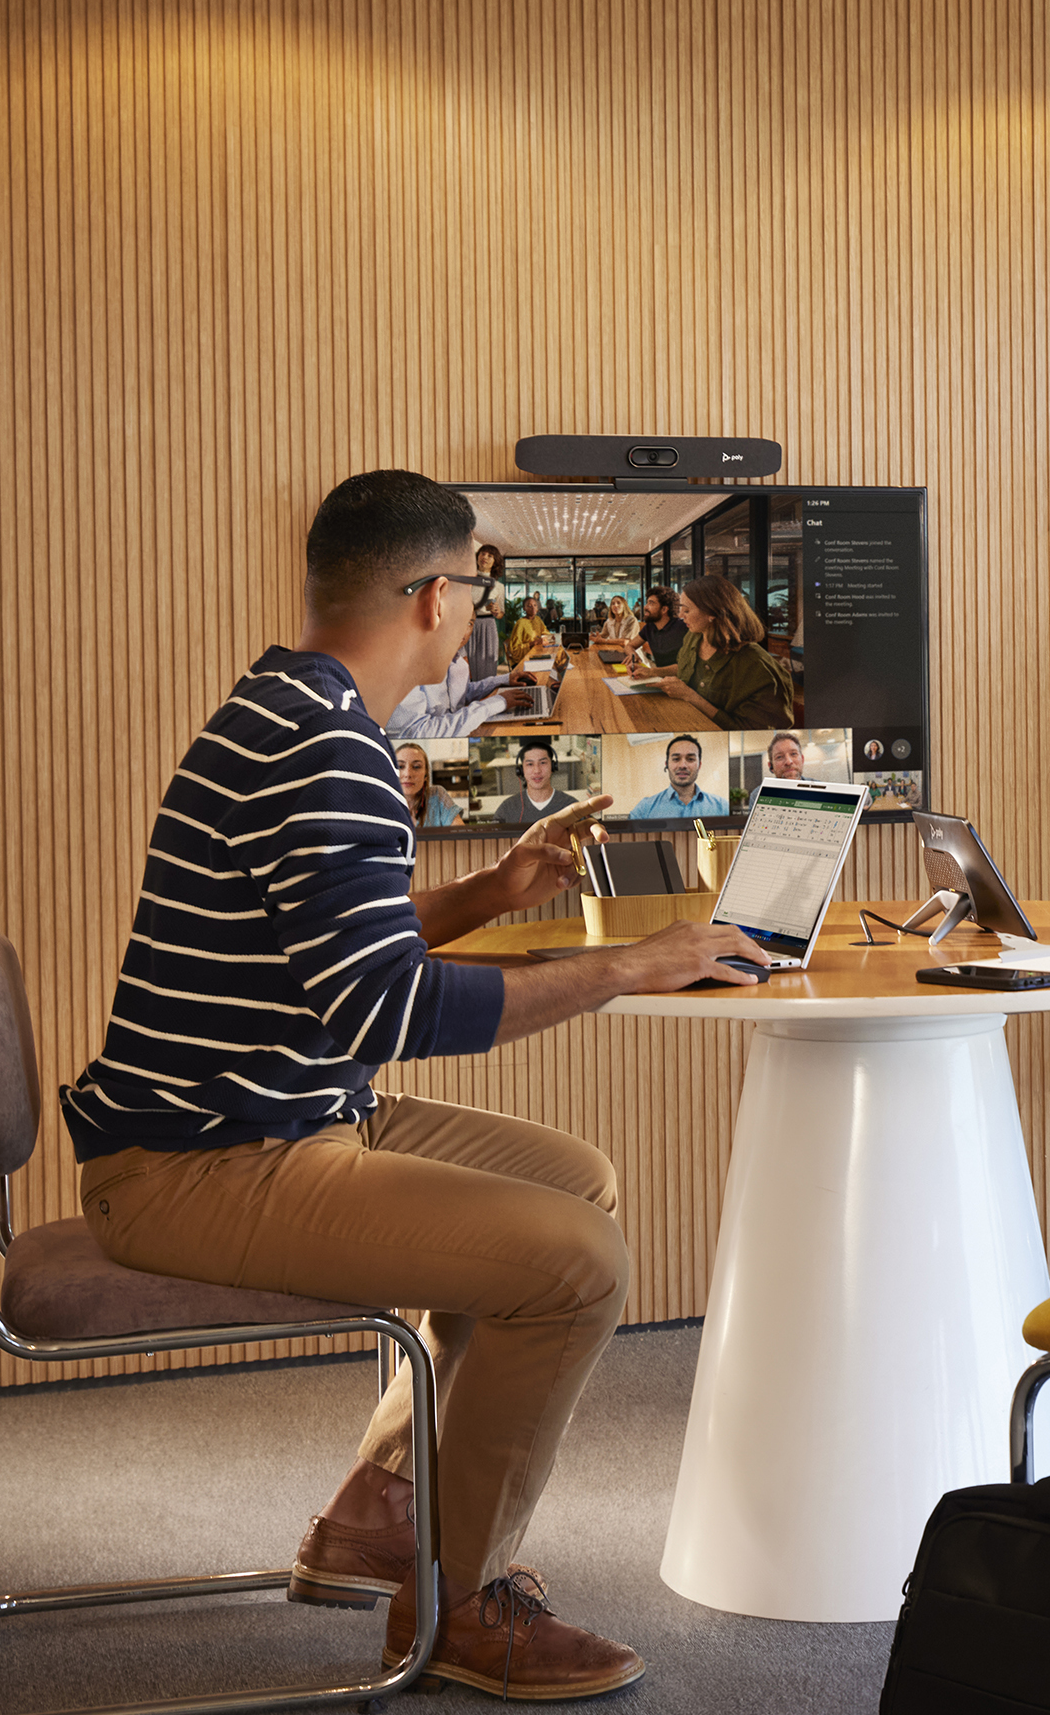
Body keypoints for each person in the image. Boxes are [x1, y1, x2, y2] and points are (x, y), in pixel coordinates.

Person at [59, 470, 768, 1702]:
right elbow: (386, 1009)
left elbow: (341, 941)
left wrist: (491, 891)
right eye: (478, 594)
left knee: (575, 1182)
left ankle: (377, 1508)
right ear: (436, 596)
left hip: (274, 1108)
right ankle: (458, 1603)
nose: (476, 616)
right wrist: (623, 964)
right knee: (577, 1265)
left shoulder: (290, 703)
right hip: (205, 1158)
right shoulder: (325, 746)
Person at [628, 574, 793, 730]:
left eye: (686, 610)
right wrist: (652, 672)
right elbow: (686, 668)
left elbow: (754, 733)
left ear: (712, 613)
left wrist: (691, 696)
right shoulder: (693, 637)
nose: (680, 615)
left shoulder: (755, 666)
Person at [386, 650, 520, 739]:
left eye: (469, 623)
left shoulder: (459, 663)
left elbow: (464, 693)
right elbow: (417, 733)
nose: (463, 630)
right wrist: (493, 705)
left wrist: (504, 679)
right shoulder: (405, 666)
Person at [626, 735, 727, 819]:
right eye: (676, 759)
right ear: (667, 764)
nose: (682, 765)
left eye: (690, 759)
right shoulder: (644, 809)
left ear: (699, 765)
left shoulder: (723, 807)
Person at [496, 738, 581, 827]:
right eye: (530, 764)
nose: (537, 770)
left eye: (543, 763)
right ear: (521, 770)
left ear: (553, 767)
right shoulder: (506, 809)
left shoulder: (571, 807)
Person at [397, 741, 463, 829]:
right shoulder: (384, 803)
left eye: (416, 767)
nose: (408, 774)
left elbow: (459, 832)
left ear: (426, 775)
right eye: (400, 767)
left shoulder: (437, 795)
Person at [466, 544, 506, 680]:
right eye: (483, 553)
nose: (485, 557)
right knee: (468, 663)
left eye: (490, 556)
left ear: (495, 562)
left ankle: (488, 691)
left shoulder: (499, 586)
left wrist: (497, 611)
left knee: (488, 663)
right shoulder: (467, 581)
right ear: (477, 557)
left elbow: (501, 614)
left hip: (488, 625)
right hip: (468, 624)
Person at [626, 585, 687, 667]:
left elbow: (682, 667)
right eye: (647, 603)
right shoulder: (650, 627)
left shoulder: (683, 628)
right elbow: (629, 645)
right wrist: (632, 654)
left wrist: (650, 672)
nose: (645, 607)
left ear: (664, 609)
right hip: (658, 674)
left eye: (651, 603)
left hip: (679, 675)